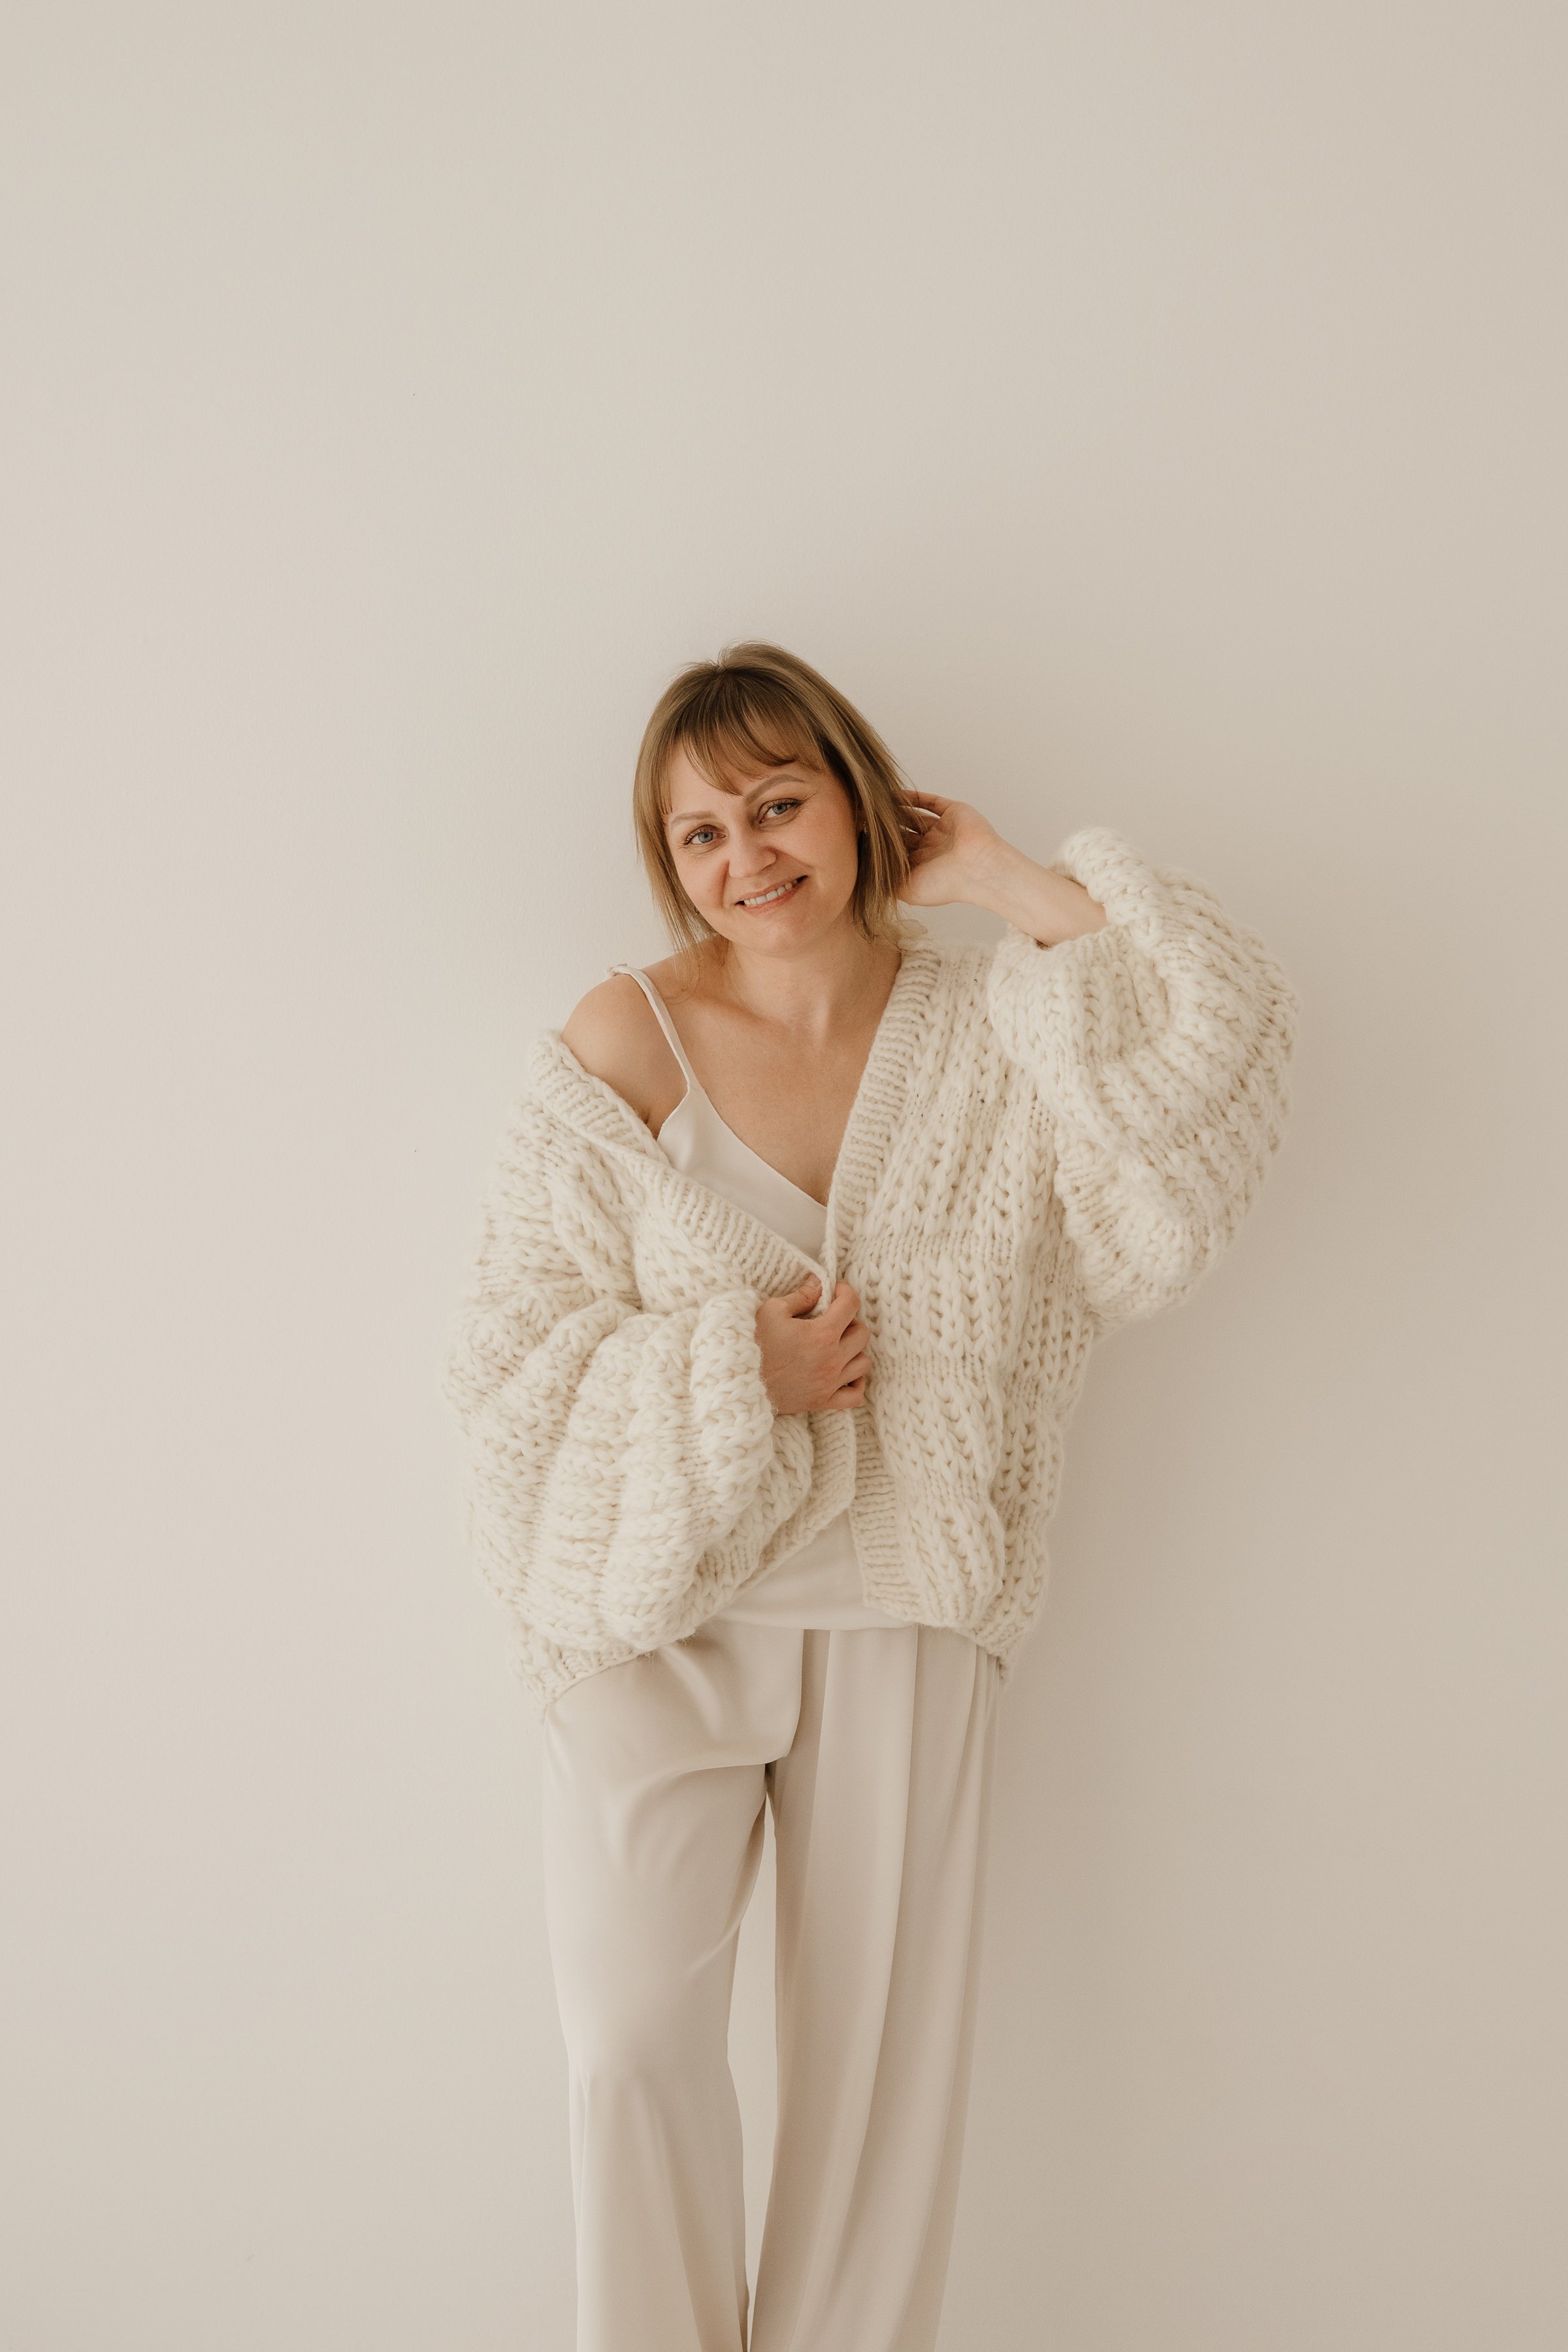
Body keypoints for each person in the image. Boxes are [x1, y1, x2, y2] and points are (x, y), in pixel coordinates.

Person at [440, 641, 1299, 2352]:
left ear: (854, 795)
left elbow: (1210, 1061)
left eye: (778, 804)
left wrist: (992, 874)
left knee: (878, 2115)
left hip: (910, 1597)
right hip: (660, 1611)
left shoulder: (990, 1025)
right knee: (628, 2046)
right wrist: (729, 1380)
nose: (747, 858)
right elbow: (508, 1376)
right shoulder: (627, 1032)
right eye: (699, 835)